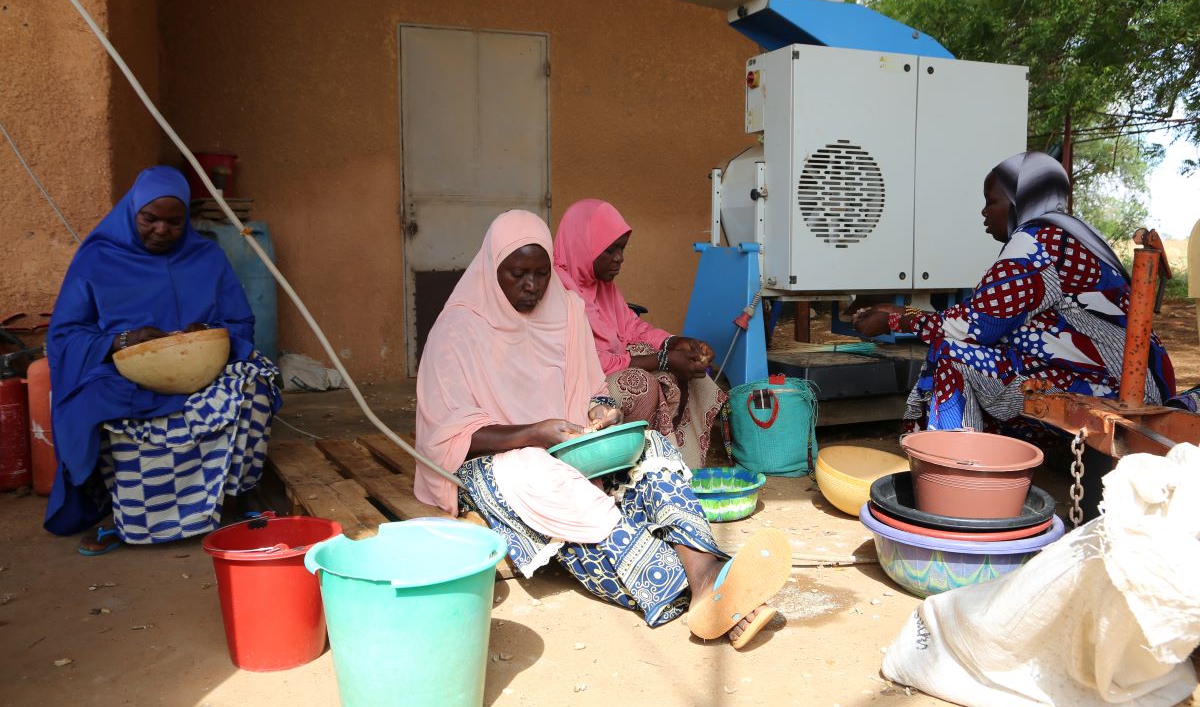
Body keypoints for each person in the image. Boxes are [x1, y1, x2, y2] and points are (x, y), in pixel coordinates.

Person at [414, 210, 788, 649]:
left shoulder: (565, 309)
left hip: (564, 443)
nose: (532, 286)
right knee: (550, 484)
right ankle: (692, 591)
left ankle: (706, 574)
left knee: (649, 447)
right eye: (518, 274)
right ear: (492, 267)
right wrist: (534, 433)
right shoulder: (458, 328)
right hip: (496, 459)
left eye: (541, 273)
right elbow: (450, 436)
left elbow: (593, 387)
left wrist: (602, 411)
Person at [853, 151, 1176, 435]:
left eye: (991, 201)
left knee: (953, 352)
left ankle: (953, 463)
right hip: (1126, 379)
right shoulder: (1065, 235)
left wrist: (897, 320)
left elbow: (975, 327)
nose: (984, 212)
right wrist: (902, 312)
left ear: (1020, 199)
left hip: (1111, 387)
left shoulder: (1037, 239)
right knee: (989, 356)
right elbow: (992, 310)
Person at [45, 166, 281, 554]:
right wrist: (123, 339)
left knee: (255, 383)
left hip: (202, 370)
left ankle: (237, 498)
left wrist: (205, 331)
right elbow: (65, 337)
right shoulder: (98, 259)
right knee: (90, 402)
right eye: (150, 219)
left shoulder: (205, 255)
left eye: (175, 221)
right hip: (123, 374)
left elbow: (239, 322)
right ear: (132, 212)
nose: (162, 230)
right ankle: (124, 518)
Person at [552, 199, 727, 470]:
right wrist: (665, 359)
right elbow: (587, 361)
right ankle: (641, 466)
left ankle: (682, 464)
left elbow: (632, 328)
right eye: (610, 250)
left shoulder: (602, 286)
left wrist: (677, 343)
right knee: (641, 383)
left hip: (608, 372)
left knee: (685, 375)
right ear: (582, 247)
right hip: (577, 389)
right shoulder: (557, 292)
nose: (619, 258)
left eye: (622, 249)